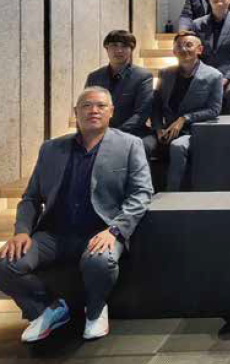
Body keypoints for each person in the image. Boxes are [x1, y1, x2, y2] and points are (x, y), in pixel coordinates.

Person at [0, 86, 152, 342]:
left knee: (100, 262)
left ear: (111, 112)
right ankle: (47, 309)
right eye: (87, 105)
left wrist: (115, 230)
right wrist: (22, 232)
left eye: (101, 106)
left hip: (100, 231)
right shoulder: (51, 149)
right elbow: (31, 197)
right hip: (53, 234)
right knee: (6, 264)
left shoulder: (129, 145)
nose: (94, 110)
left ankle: (95, 309)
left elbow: (141, 193)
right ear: (76, 112)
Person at [146, 31, 223, 191]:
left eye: (188, 45)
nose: (183, 49)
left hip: (192, 130)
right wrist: (158, 128)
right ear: (174, 51)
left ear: (199, 49)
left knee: (177, 147)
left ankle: (171, 194)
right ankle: (143, 190)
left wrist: (184, 119)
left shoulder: (214, 76)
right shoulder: (165, 73)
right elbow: (156, 105)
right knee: (140, 145)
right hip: (165, 130)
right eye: (179, 46)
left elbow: (214, 110)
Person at [85, 30, 153, 142]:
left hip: (132, 133)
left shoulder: (143, 76)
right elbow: (85, 108)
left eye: (124, 46)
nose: (119, 50)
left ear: (131, 50)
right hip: (98, 133)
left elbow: (141, 114)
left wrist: (113, 135)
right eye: (114, 45)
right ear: (106, 48)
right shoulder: (94, 77)